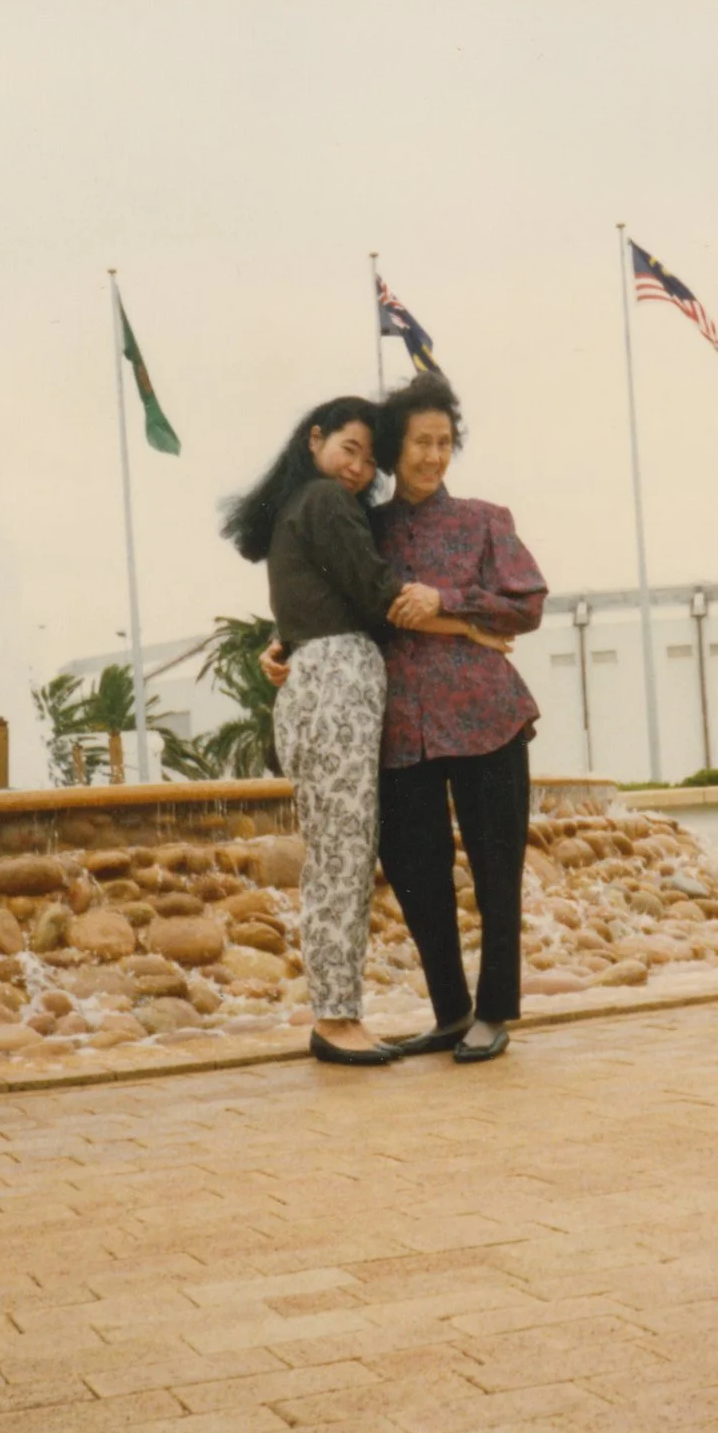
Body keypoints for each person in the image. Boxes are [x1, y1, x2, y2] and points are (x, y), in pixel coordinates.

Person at [222, 395, 508, 1066]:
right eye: (348, 449)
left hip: (324, 680)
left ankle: (340, 1011)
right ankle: (335, 1019)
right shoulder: (325, 501)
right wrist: (468, 626)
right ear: (314, 438)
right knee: (342, 856)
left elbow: (317, 601)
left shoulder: (304, 504)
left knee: (340, 852)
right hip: (335, 687)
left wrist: (284, 645)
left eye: (368, 460)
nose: (357, 469)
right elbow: (382, 597)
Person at [367, 373, 549, 1064]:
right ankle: (450, 1013)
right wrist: (283, 646)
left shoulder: (483, 519)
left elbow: (526, 605)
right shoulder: (367, 529)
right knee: (415, 873)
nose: (433, 456)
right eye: (421, 442)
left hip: (486, 718)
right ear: (394, 447)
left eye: (444, 442)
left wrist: (444, 598)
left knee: (497, 870)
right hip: (401, 730)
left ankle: (494, 1012)